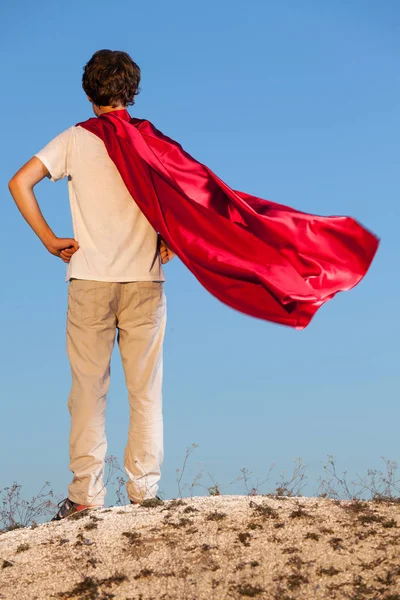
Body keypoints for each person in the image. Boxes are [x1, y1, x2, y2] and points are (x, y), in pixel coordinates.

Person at [8, 50, 175, 520]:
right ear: (133, 93)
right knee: (146, 390)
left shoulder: (75, 139)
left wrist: (48, 240)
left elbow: (20, 182)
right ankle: (144, 491)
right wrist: (174, 240)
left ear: (88, 93)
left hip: (89, 280)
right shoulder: (152, 141)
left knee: (87, 390)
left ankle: (85, 496)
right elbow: (186, 195)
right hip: (145, 280)